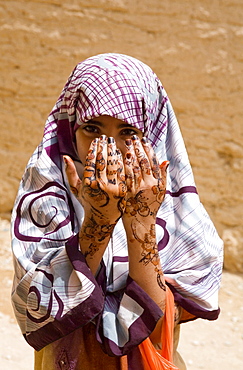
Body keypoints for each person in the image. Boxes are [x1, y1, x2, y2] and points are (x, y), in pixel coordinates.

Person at [11, 53, 223, 370]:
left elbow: (158, 327)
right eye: (93, 129)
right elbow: (40, 308)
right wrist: (99, 220)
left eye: (128, 132)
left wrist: (141, 223)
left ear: (150, 135)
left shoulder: (176, 212)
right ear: (70, 132)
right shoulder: (45, 200)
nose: (109, 146)